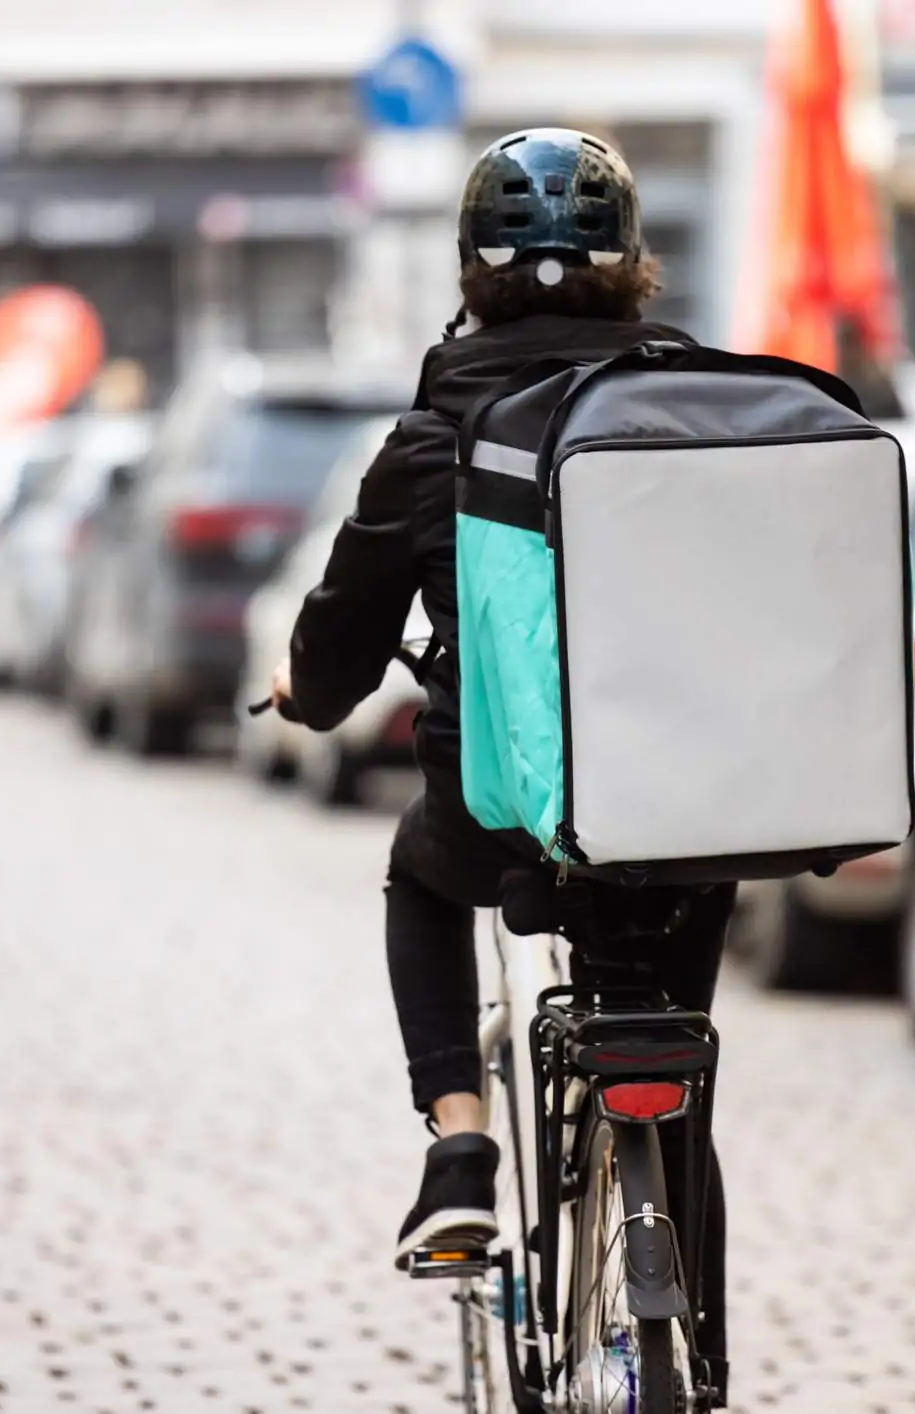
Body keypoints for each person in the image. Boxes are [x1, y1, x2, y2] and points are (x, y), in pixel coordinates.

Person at [263, 127, 735, 1403]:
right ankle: (698, 1351)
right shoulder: (693, 406)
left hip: (496, 815)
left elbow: (343, 643)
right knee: (675, 1064)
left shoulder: (434, 434)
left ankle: (459, 1151)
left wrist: (304, 694)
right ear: (631, 268)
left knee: (419, 880)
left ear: (468, 272)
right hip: (678, 818)